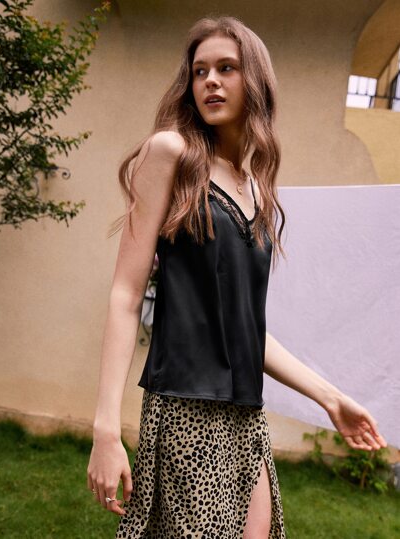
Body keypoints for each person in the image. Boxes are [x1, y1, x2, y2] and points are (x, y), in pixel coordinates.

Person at [86, 15, 387, 539]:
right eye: (200, 71)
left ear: (255, 80)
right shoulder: (170, 154)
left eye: (227, 68)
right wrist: (105, 430)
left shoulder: (255, 188)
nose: (210, 81)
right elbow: (126, 293)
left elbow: (247, 329)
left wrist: (330, 397)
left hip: (247, 419)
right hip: (185, 414)